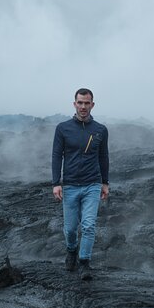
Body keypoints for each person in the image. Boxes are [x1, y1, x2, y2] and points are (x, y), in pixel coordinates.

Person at [52, 88, 109, 280]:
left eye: (87, 103)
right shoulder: (62, 128)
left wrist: (105, 182)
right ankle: (71, 251)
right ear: (74, 104)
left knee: (88, 225)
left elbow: (103, 157)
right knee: (70, 228)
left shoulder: (100, 130)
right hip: (69, 185)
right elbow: (56, 156)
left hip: (92, 184)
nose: (83, 106)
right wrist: (56, 183)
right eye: (80, 102)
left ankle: (84, 262)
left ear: (92, 104)